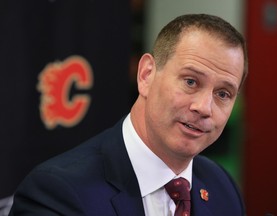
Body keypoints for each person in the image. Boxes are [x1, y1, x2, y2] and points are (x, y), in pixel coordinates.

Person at [9, 14, 248, 216]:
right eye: (190, 81)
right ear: (146, 75)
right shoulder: (57, 193)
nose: (204, 108)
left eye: (223, 94)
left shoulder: (223, 187)